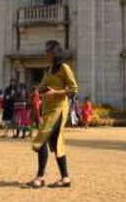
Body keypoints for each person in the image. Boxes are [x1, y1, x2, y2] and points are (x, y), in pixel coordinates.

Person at [26, 40, 78, 189]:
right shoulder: (49, 69)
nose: (46, 53)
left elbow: (74, 89)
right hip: (48, 109)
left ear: (56, 52)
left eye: (48, 51)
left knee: (41, 138)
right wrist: (36, 92)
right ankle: (65, 178)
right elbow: (43, 86)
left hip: (58, 109)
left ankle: (40, 177)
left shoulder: (64, 68)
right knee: (56, 143)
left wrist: (56, 92)